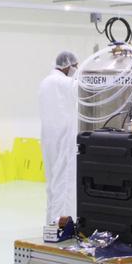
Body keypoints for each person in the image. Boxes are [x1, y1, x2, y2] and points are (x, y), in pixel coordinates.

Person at [38, 50, 79, 226]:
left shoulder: (45, 82)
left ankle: (50, 220)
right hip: (65, 135)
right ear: (68, 65)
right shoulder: (67, 83)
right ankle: (62, 222)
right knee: (64, 179)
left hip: (48, 136)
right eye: (75, 66)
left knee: (52, 179)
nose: (76, 69)